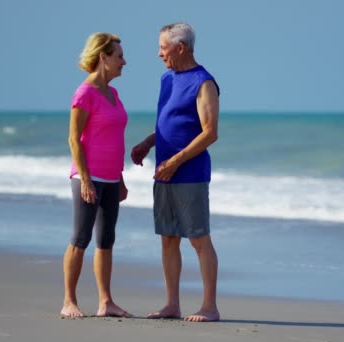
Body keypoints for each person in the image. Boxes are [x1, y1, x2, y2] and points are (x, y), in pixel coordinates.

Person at [131, 22, 220, 322]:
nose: (159, 54)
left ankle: (209, 306)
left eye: (163, 47)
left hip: (189, 173)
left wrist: (176, 161)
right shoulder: (166, 80)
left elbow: (209, 133)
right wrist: (147, 142)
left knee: (198, 239)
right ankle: (172, 304)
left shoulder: (204, 82)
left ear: (180, 47)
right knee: (168, 238)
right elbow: (169, 122)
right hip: (164, 172)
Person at [61, 32, 132, 318]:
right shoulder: (85, 93)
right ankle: (69, 301)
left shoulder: (112, 93)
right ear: (103, 57)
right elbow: (74, 140)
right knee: (80, 238)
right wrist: (86, 179)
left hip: (112, 178)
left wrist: (121, 178)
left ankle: (106, 302)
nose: (123, 62)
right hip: (87, 178)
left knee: (106, 239)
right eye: (119, 56)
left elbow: (113, 139)